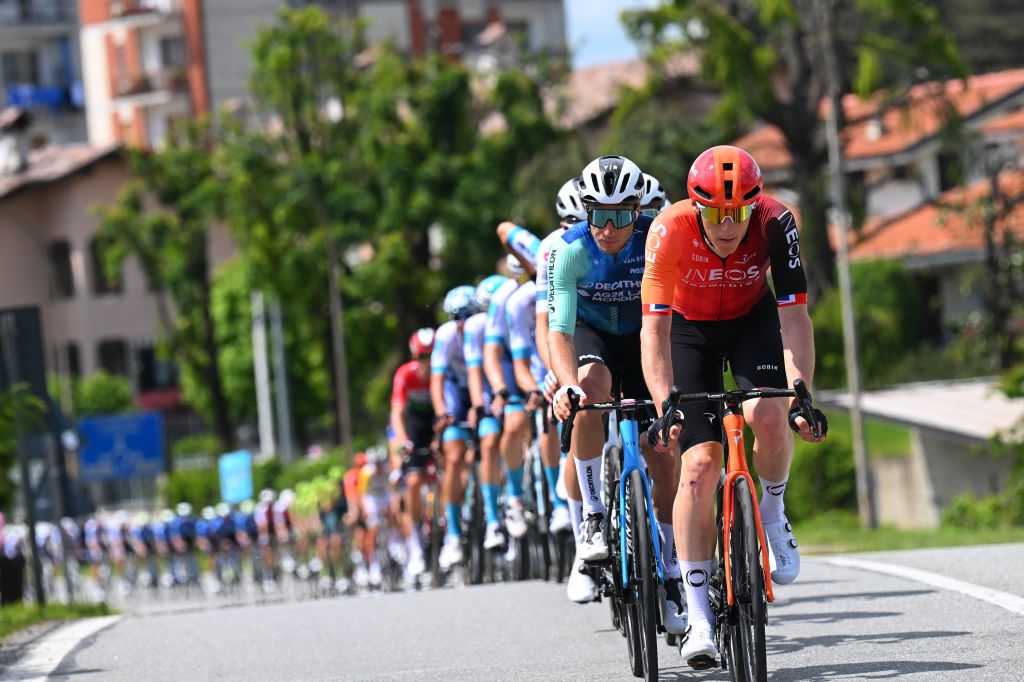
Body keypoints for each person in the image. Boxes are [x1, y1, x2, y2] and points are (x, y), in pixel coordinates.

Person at [640, 144, 829, 668]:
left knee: (770, 416)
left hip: (752, 321)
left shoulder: (777, 223)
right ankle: (699, 617)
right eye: (717, 213)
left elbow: (795, 317)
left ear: (755, 205)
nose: (729, 224)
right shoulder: (669, 228)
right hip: (688, 330)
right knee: (699, 465)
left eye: (739, 212)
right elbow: (653, 328)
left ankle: (771, 513)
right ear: (696, 207)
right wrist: (665, 404)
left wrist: (801, 390)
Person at [547, 156, 686, 632]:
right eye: (599, 216)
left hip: (646, 337)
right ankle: (591, 516)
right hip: (593, 337)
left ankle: (668, 561)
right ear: (586, 212)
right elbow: (559, 330)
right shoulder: (569, 251)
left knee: (663, 452)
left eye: (621, 216)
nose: (609, 228)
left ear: (638, 209)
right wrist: (566, 384)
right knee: (588, 394)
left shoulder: (656, 238)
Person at [431, 285, 477, 570]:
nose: (462, 323)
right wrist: (443, 414)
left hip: (477, 386)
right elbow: (437, 381)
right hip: (454, 391)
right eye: (456, 317)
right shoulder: (445, 336)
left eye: (468, 315)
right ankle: (453, 534)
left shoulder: (482, 330)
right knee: (454, 454)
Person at [389, 328, 436, 577]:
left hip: (436, 421)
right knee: (414, 481)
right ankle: (415, 545)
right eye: (422, 358)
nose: (427, 363)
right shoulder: (405, 375)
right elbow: (397, 413)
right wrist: (403, 440)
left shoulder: (441, 371)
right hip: (415, 426)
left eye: (431, 357)